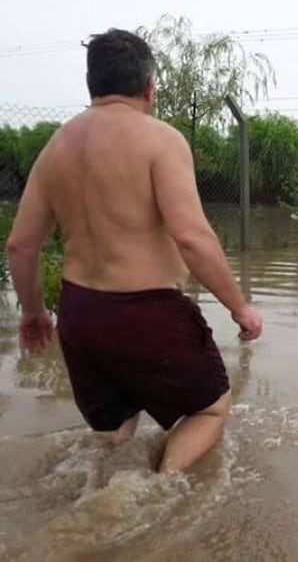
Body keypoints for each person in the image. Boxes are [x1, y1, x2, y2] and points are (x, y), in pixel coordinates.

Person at [5, 29, 263, 473]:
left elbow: (20, 244)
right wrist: (240, 307)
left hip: (80, 316)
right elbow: (191, 238)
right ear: (148, 87)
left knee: (112, 432)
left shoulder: (55, 148)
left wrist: (33, 313)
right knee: (210, 408)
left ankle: (99, 491)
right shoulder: (160, 139)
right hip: (148, 311)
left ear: (92, 85)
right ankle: (156, 492)